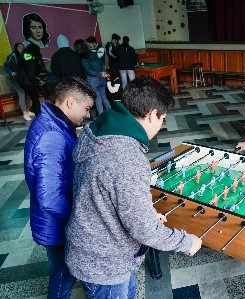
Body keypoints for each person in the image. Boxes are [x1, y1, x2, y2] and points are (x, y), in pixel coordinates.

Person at [65, 77, 202, 297]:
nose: (161, 125)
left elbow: (107, 196)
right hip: (105, 265)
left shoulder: (99, 130)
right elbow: (143, 229)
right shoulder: (126, 157)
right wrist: (186, 242)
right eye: (162, 119)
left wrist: (144, 214)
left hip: (95, 250)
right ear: (151, 114)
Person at [24, 77, 95, 298]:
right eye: (87, 108)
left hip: (54, 222)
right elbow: (49, 197)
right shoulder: (51, 136)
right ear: (71, 102)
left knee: (64, 272)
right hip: (56, 225)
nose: (88, 114)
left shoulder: (53, 123)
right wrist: (79, 219)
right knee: (63, 275)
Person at [79, 39, 111, 115]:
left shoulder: (84, 58)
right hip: (102, 79)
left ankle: (102, 118)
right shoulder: (95, 54)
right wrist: (102, 73)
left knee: (98, 100)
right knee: (104, 97)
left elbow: (88, 71)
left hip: (92, 80)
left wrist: (99, 74)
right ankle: (111, 115)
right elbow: (102, 65)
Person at [3, 42, 34, 121]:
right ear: (16, 48)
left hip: (24, 79)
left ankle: (27, 111)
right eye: (19, 47)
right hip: (16, 80)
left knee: (28, 94)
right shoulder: (12, 56)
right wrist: (11, 72)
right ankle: (24, 113)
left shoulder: (25, 55)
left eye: (22, 47)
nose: (21, 48)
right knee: (22, 94)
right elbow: (6, 66)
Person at [16, 43, 46, 115]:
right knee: (35, 99)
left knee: (33, 98)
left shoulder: (24, 56)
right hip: (28, 82)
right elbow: (31, 74)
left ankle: (37, 115)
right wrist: (38, 82)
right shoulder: (32, 58)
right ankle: (39, 115)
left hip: (22, 81)